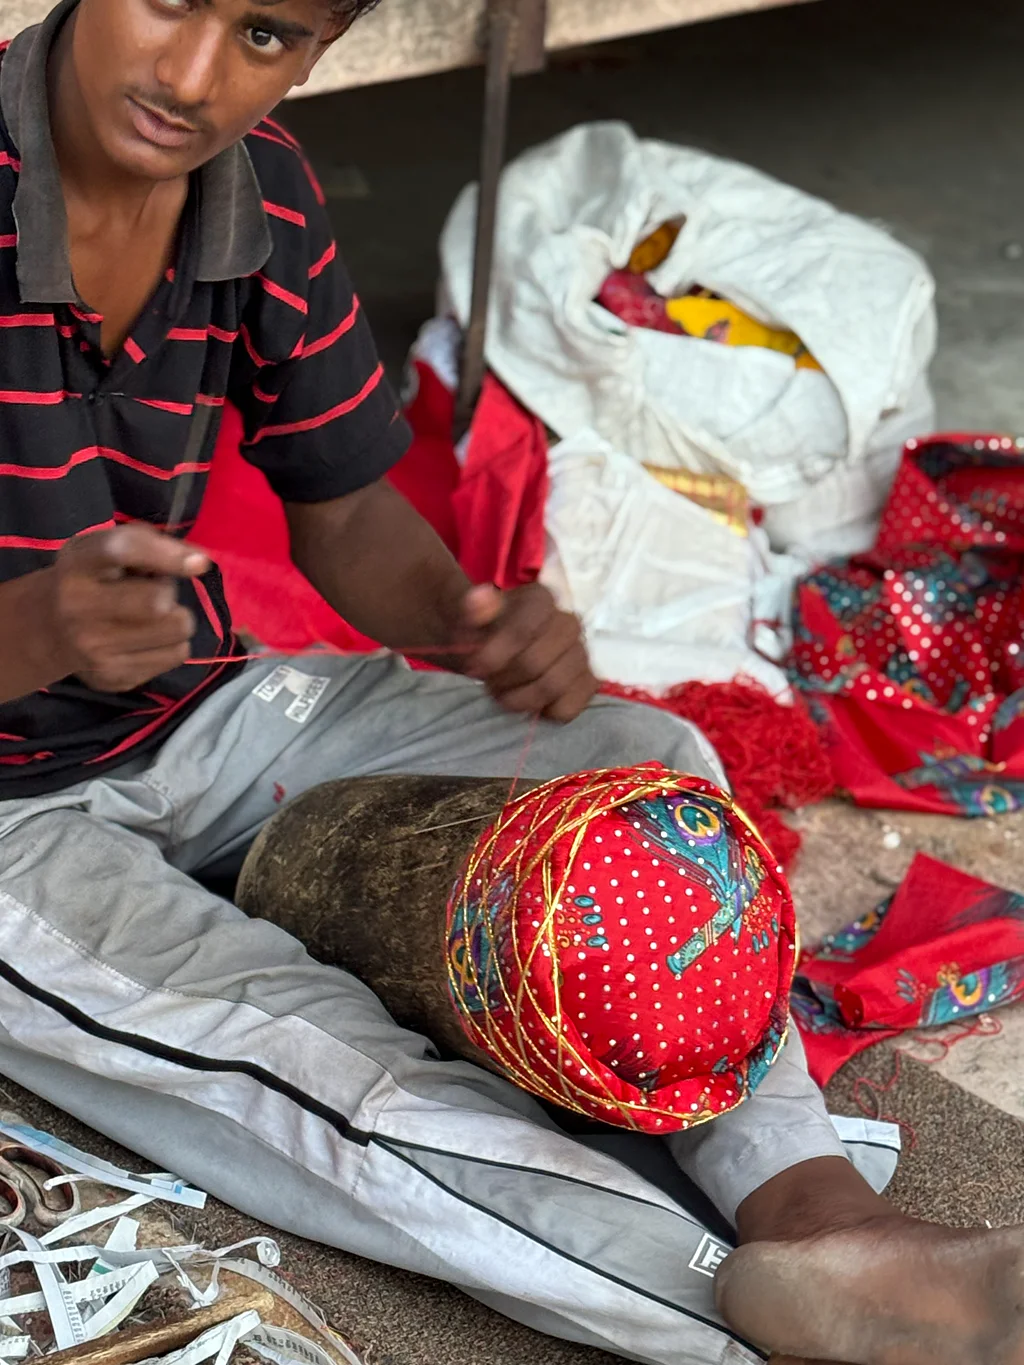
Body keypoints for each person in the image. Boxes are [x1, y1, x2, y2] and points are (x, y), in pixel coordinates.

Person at [0, 1, 1020, 1362]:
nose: (190, 77)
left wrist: (474, 619)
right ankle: (727, 1301)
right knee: (308, 1068)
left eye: (261, 34)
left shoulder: (262, 200)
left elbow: (347, 511)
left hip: (200, 709)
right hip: (12, 814)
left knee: (639, 767)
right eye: (168, 1)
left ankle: (821, 1205)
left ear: (318, 49)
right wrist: (37, 631)